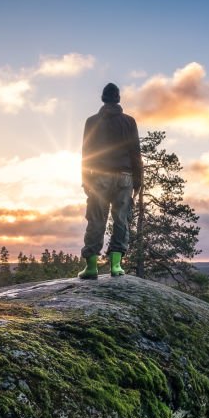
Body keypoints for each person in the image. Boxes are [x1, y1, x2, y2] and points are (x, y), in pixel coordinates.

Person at [78, 83, 143, 279]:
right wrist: (138, 182)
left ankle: (91, 268)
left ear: (103, 98)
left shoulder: (91, 122)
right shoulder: (129, 122)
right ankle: (116, 266)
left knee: (96, 219)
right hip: (124, 177)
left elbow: (86, 153)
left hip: (99, 177)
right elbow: (135, 153)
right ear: (118, 98)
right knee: (121, 219)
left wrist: (85, 180)